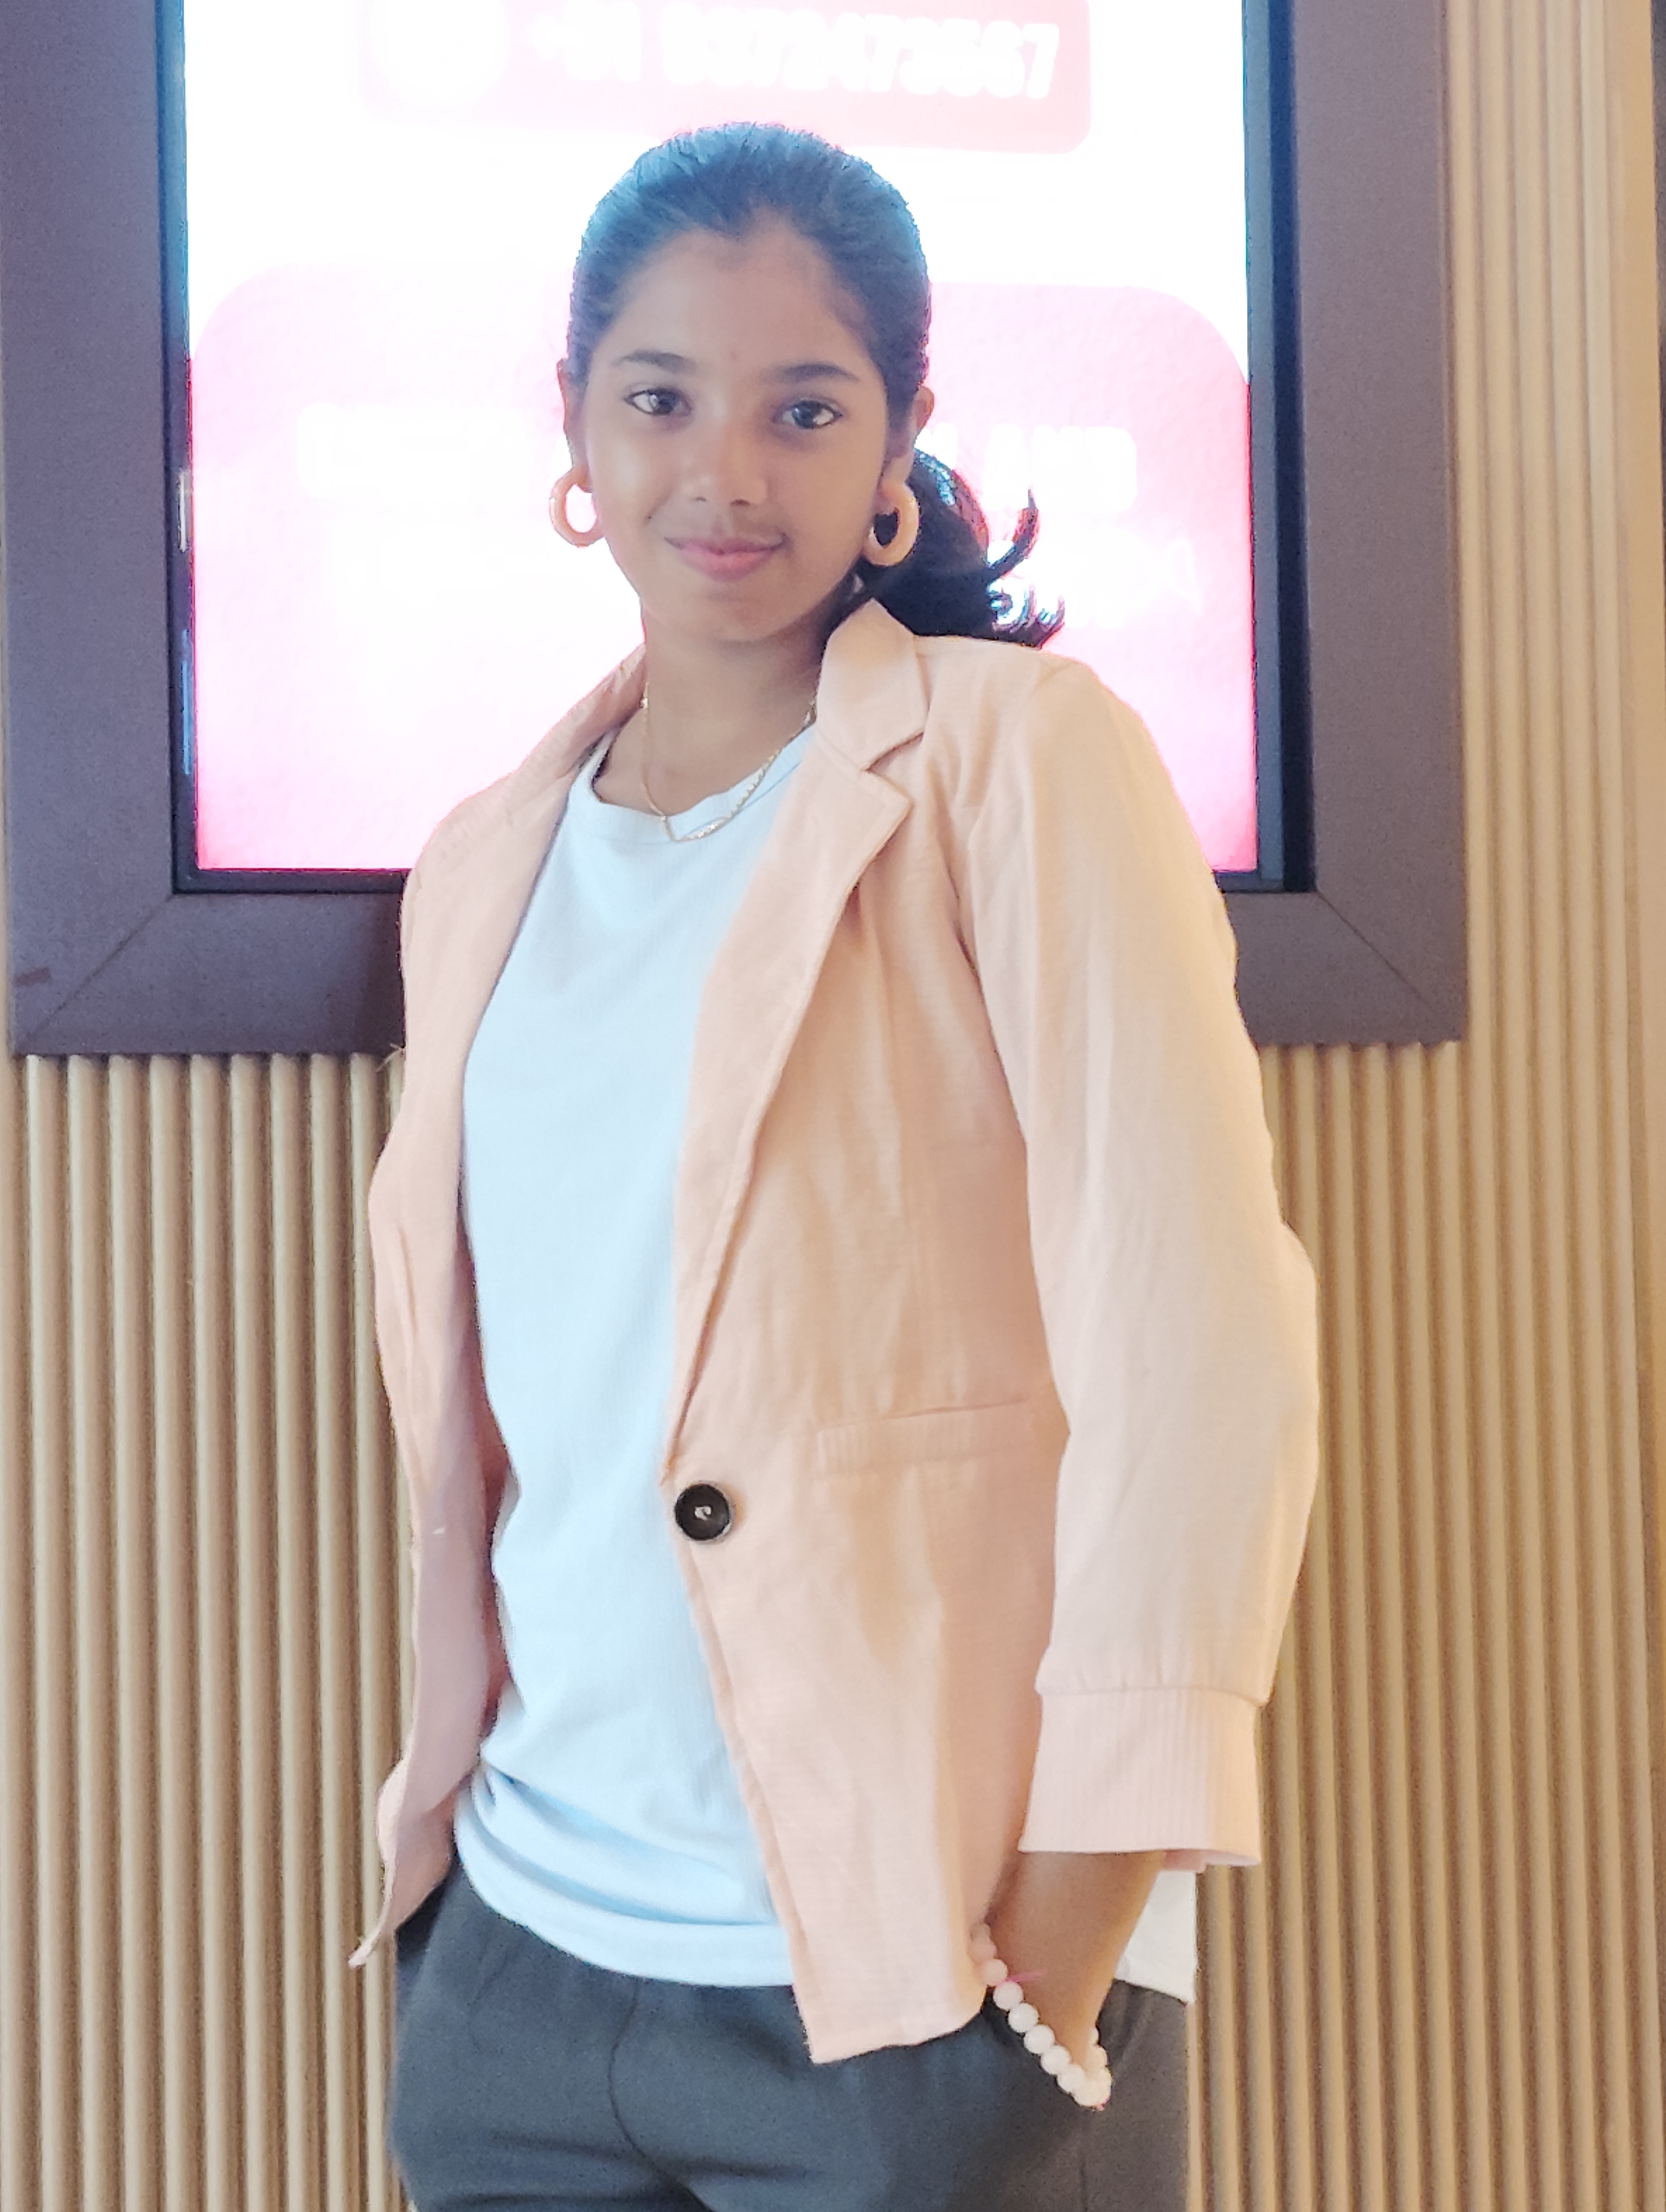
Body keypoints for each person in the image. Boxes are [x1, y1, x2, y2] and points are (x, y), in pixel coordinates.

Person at [356, 121, 1319, 2212]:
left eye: (804, 409)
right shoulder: (479, 864)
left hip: (914, 1984)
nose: (726, 472)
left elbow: (1201, 1351)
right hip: (520, 1973)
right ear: (576, 425)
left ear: (898, 435)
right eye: (662, 397)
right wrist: (452, 1933)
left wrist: (1053, 1962)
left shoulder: (1016, 761)